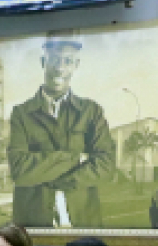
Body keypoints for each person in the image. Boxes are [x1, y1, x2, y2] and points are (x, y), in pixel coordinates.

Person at [8, 31, 114, 228]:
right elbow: (19, 170)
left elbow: (106, 165)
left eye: (67, 60)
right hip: (34, 226)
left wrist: (50, 175)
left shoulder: (91, 111)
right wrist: (75, 159)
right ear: (42, 62)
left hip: (83, 224)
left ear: (76, 65)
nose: (60, 67)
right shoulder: (21, 113)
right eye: (54, 59)